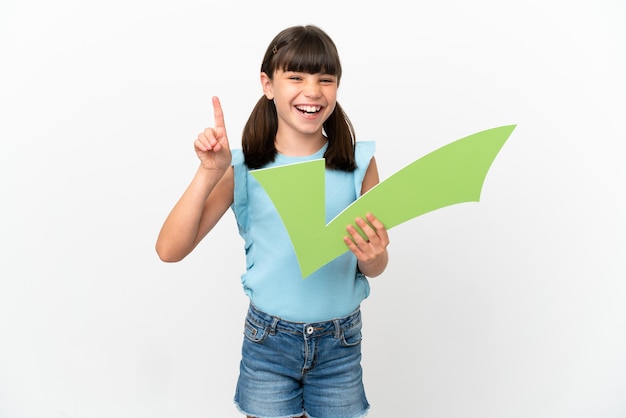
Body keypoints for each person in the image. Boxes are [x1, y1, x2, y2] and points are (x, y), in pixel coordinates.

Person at [156, 24, 390, 418]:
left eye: (325, 79)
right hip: (269, 344)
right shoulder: (244, 167)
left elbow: (376, 267)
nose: (312, 91)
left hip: (340, 346)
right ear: (268, 84)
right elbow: (169, 250)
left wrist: (373, 255)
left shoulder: (357, 164)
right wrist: (209, 173)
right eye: (295, 77)